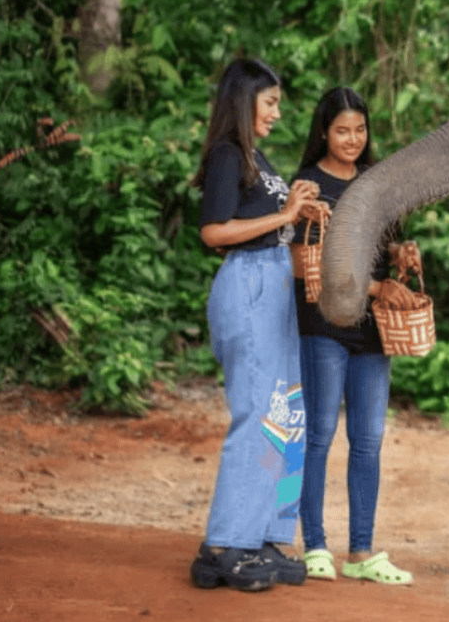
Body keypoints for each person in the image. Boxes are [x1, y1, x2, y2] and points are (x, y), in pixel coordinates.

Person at [189, 57, 324, 592]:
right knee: (256, 413)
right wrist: (284, 217)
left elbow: (270, 227)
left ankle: (264, 534)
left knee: (285, 413)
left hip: (274, 286)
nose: (277, 112)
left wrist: (298, 217)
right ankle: (224, 544)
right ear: (245, 102)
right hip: (247, 287)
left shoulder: (257, 157)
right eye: (270, 102)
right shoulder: (227, 154)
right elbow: (215, 231)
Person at [291, 87, 414, 585]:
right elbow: (304, 263)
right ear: (324, 131)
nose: (352, 139)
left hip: (372, 331)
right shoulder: (308, 185)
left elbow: (386, 253)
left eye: (360, 130)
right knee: (318, 434)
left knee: (368, 440)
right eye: (342, 130)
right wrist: (375, 285)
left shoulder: (376, 183)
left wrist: (403, 262)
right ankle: (314, 545)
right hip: (323, 324)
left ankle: (361, 551)